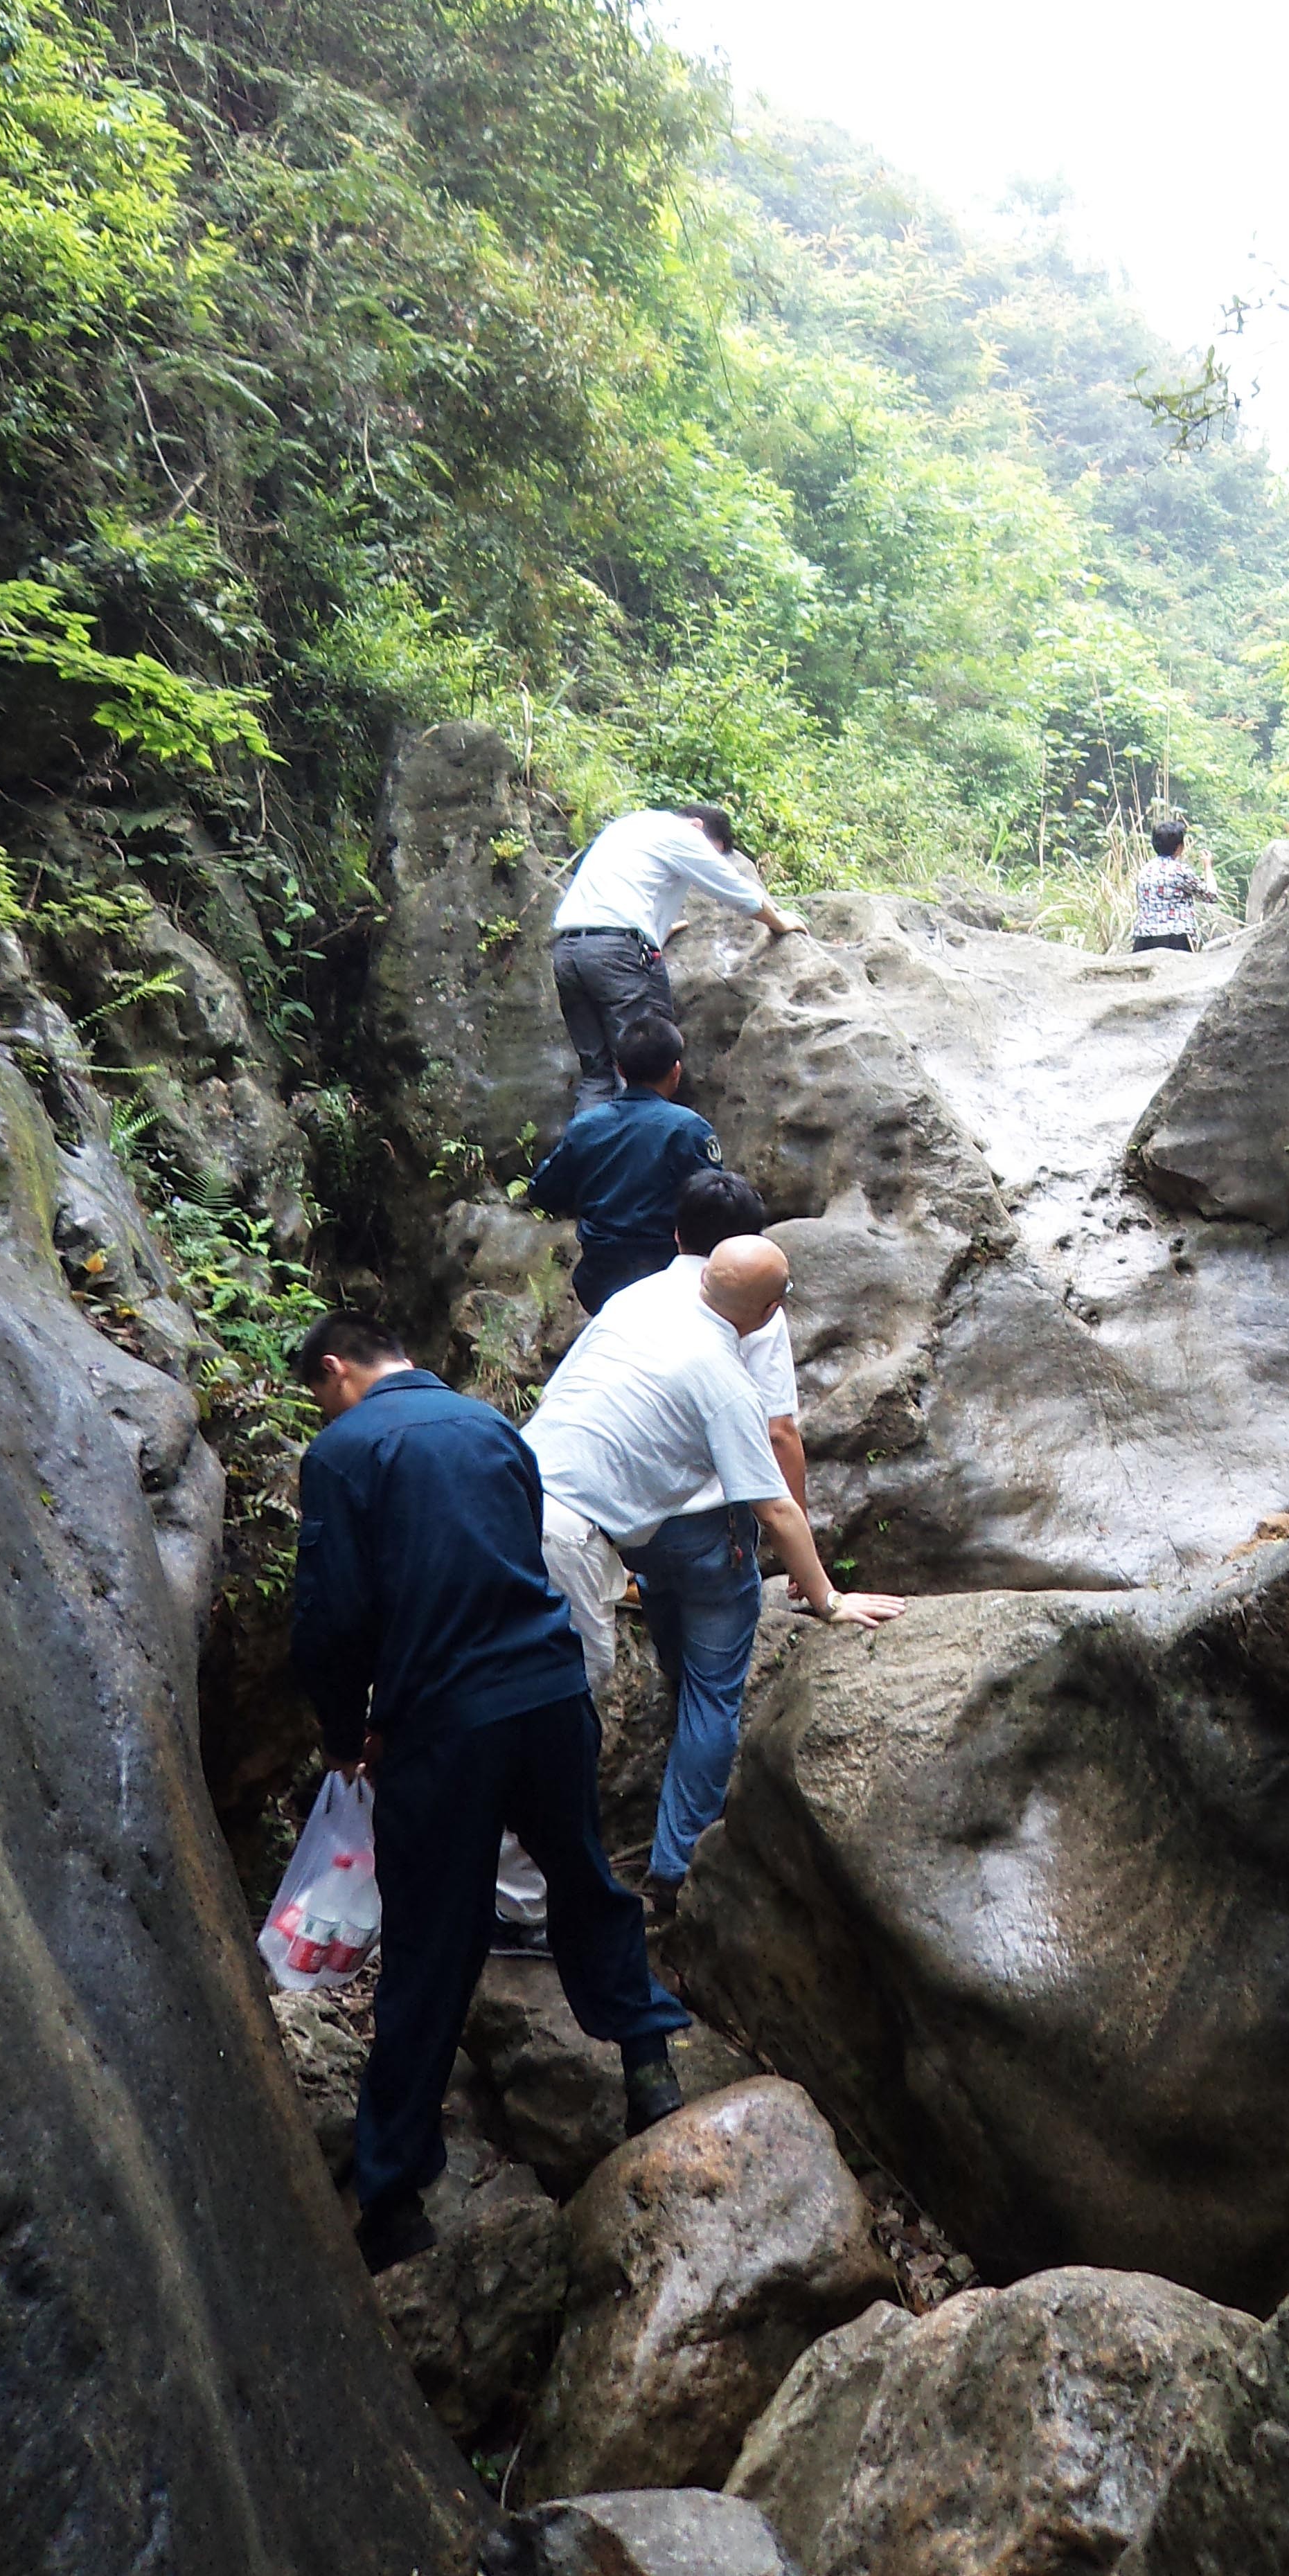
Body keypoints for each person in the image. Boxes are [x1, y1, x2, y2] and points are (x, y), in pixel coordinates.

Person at [290, 1311, 688, 2274]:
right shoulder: (493, 1428)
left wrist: (347, 1736)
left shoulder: (342, 1452)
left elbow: (333, 1615)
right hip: (549, 1695)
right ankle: (648, 2067)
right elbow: (501, 1559)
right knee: (585, 1879)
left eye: (320, 1390)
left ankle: (392, 2202)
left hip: (446, 1725)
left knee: (433, 1940)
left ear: (338, 1371)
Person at [523, 1231, 905, 1917]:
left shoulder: (639, 1302)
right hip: (575, 1539)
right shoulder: (723, 1374)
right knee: (571, 1710)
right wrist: (827, 1598)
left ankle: (536, 1878)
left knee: (529, 1689)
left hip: (517, 1495)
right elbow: (778, 1509)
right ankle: (613, 1885)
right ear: (764, 1313)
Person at [490, 1166, 801, 1951]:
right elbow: (778, 1440)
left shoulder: (633, 1301)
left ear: (673, 1236)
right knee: (668, 1695)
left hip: (545, 1502)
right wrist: (814, 1577)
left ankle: (530, 1882)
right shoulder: (747, 1324)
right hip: (636, 1527)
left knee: (567, 1687)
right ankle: (627, 1874)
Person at [552, 804, 807, 1116]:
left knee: (597, 1074)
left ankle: (587, 1160)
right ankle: (638, 1160)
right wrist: (778, 921)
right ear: (697, 827)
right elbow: (735, 890)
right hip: (616, 954)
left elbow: (624, 890)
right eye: (710, 851)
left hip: (568, 953)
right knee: (642, 1073)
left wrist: (652, 932)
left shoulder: (630, 826)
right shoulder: (681, 834)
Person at [528, 1013, 730, 1314]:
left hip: (601, 1280)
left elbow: (543, 1192)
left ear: (620, 1070)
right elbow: (716, 1208)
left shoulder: (586, 1126)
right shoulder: (689, 1129)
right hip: (667, 1278)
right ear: (676, 1071)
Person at [1128, 816, 1220, 955]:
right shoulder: (1180, 871)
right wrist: (1208, 866)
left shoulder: (1145, 870)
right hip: (1174, 940)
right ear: (1179, 847)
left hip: (1143, 940)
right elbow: (1211, 895)